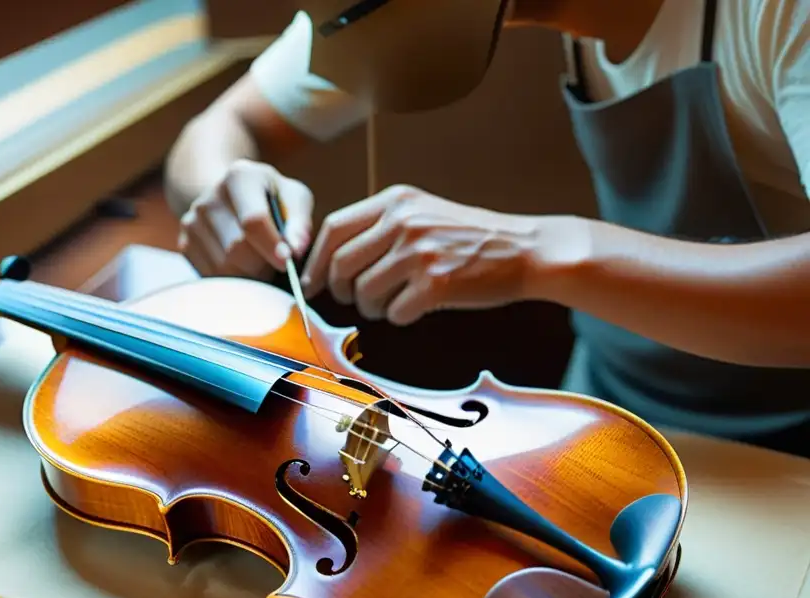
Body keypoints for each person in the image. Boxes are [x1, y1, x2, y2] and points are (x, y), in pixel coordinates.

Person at [163, 0, 810, 459]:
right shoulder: (385, 13)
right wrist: (227, 188)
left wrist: (537, 253)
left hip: (787, 445)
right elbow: (212, 135)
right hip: (608, 409)